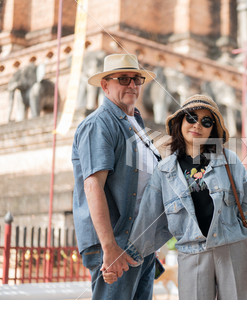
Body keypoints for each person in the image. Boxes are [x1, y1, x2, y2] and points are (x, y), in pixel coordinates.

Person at [105, 94, 247, 299]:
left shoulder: (230, 161)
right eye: (191, 118)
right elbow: (147, 220)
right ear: (180, 122)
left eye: (206, 121)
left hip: (233, 251)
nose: (197, 125)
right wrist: (120, 260)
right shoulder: (164, 171)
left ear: (213, 130)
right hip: (192, 256)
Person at [72, 54, 169, 299]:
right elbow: (93, 185)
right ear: (105, 85)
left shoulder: (134, 122)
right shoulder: (100, 124)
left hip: (140, 245)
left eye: (137, 79)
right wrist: (109, 247)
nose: (132, 85)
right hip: (117, 245)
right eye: (123, 79)